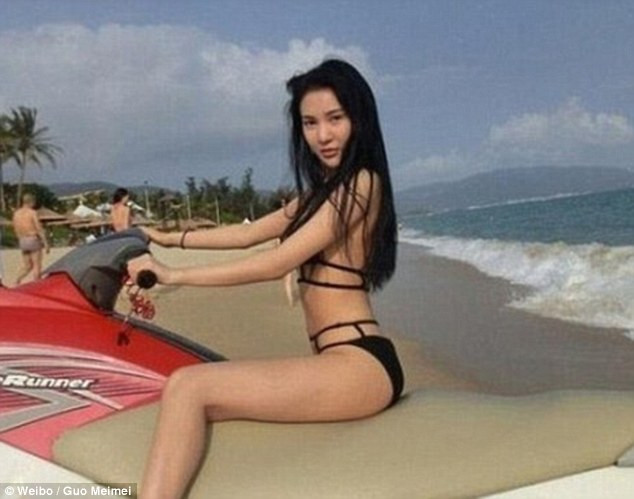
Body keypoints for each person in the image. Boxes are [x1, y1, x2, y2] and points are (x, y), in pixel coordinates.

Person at [127, 59, 403, 499]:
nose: (323, 135)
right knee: (193, 384)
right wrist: (166, 238)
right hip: (340, 358)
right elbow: (248, 233)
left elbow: (276, 262)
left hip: (361, 363)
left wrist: (174, 275)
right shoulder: (319, 194)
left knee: (188, 385)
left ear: (359, 119)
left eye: (335, 118)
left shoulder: (362, 183)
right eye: (310, 123)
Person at [13, 193, 50, 284]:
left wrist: (20, 239)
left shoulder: (16, 214)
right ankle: (37, 284)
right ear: (31, 202)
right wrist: (46, 243)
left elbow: (15, 228)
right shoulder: (32, 213)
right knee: (37, 265)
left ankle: (17, 280)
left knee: (27, 266)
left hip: (22, 240)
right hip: (32, 239)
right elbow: (39, 228)